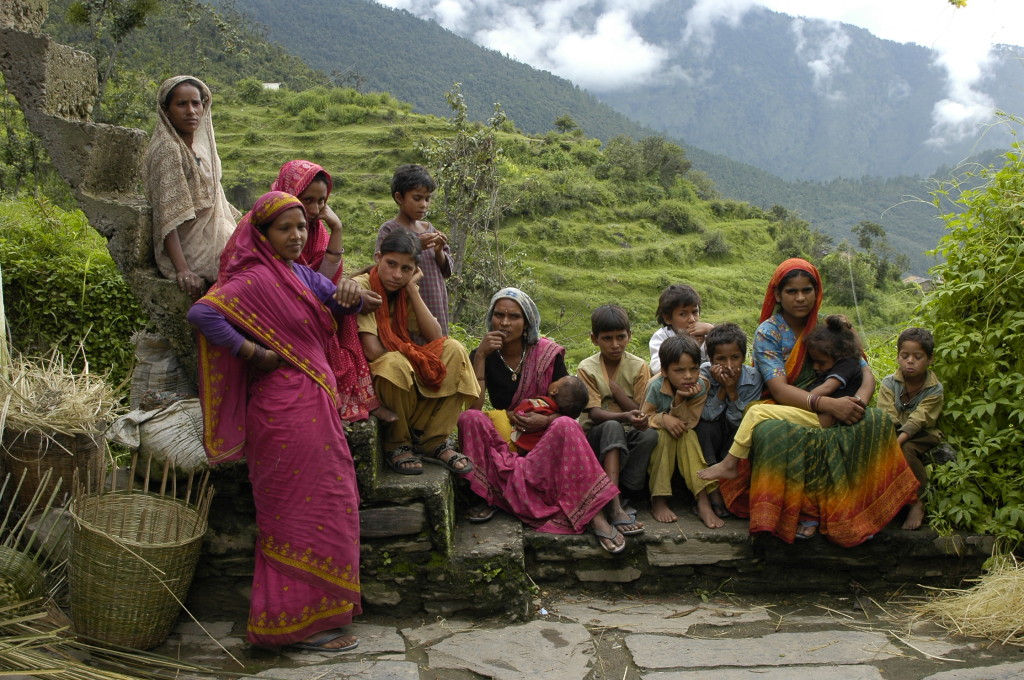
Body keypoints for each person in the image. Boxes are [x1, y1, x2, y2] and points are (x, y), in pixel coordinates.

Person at [188, 191, 362, 651]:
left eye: (302, 227)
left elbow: (344, 303)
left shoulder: (300, 273)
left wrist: (351, 295)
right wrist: (252, 353)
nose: (296, 235)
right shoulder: (253, 280)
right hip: (283, 412)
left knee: (331, 501)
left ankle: (318, 617)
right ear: (262, 235)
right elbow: (203, 311)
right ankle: (291, 626)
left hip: (316, 406)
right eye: (285, 228)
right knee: (292, 517)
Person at [699, 258, 918, 545]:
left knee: (877, 421)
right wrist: (828, 405)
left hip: (841, 403)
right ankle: (791, 512)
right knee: (767, 430)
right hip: (791, 405)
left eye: (806, 290)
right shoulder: (770, 332)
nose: (800, 298)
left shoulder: (830, 327)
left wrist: (858, 403)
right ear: (778, 295)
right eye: (791, 291)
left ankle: (870, 508)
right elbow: (779, 389)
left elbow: (864, 371)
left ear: (817, 291)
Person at [457, 289, 629, 553]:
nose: (504, 322)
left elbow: (571, 408)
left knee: (566, 425)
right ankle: (487, 495)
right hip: (509, 439)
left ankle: (595, 513)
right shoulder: (483, 354)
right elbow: (476, 406)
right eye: (499, 315)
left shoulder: (547, 354)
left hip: (542, 442)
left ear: (526, 322)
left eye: (513, 316)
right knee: (469, 419)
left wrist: (544, 422)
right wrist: (479, 357)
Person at [263, 159, 394, 424]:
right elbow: (296, 281)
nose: (314, 209)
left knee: (344, 315)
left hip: (311, 299)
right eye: (307, 200)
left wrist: (337, 228)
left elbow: (324, 280)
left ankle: (362, 399)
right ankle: (345, 399)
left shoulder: (318, 230)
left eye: (321, 201)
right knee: (338, 313)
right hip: (277, 307)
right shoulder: (269, 226)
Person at [354, 229, 477, 475]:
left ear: (414, 271)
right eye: (391, 264)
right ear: (378, 257)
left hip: (401, 362)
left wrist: (411, 290)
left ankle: (433, 440)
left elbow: (436, 335)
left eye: (406, 269)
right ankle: (397, 443)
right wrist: (413, 362)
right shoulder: (363, 285)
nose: (397, 274)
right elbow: (372, 350)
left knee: (455, 349)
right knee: (394, 363)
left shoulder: (403, 288)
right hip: (374, 372)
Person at [144, 75, 239, 299]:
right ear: (166, 111)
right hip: (191, 246)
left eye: (196, 103)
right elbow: (168, 216)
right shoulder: (168, 150)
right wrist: (182, 270)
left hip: (211, 233)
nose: (191, 111)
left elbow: (213, 196)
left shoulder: (198, 148)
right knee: (254, 269)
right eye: (181, 104)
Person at [578, 304, 657, 536]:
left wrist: (620, 396)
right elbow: (594, 414)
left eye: (621, 337)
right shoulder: (587, 368)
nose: (615, 345)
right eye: (607, 338)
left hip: (627, 434)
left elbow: (642, 410)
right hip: (596, 439)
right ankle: (612, 503)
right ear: (595, 339)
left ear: (629, 336)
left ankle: (626, 491)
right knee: (612, 425)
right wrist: (624, 415)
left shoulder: (638, 366)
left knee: (650, 434)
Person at [641, 335, 723, 528]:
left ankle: (703, 501)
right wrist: (663, 418)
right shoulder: (655, 386)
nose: (688, 376)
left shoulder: (700, 386)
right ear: (664, 371)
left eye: (693, 369)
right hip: (659, 435)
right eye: (679, 370)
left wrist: (678, 401)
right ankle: (659, 499)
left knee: (689, 436)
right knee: (662, 436)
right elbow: (644, 419)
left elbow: (689, 422)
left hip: (685, 432)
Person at [877, 327, 946, 531]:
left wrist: (898, 442)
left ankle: (917, 502)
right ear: (898, 357)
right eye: (905, 355)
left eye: (918, 356)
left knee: (906, 451)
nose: (910, 361)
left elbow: (919, 418)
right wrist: (892, 439)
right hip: (893, 431)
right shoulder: (890, 383)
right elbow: (886, 414)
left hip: (923, 434)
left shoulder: (934, 388)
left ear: (930, 359)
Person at [376, 164, 453, 335]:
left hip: (434, 301)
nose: (423, 205)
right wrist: (418, 245)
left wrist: (439, 251)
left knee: (438, 343)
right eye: (417, 198)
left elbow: (447, 271)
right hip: (407, 302)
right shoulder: (389, 229)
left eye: (427, 199)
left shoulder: (430, 228)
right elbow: (382, 268)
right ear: (399, 197)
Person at [695, 323, 763, 518]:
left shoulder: (753, 378)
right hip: (711, 439)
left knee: (743, 431)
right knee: (705, 427)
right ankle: (712, 490)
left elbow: (742, 424)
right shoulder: (704, 374)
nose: (729, 365)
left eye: (735, 358)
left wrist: (733, 392)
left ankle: (729, 489)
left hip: (734, 442)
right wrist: (723, 389)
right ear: (710, 359)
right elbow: (707, 415)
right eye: (721, 359)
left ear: (744, 357)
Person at [803, 314, 864, 428]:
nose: (815, 367)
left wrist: (800, 401)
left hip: (829, 416)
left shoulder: (847, 364)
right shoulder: (833, 366)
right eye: (813, 362)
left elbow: (827, 388)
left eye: (821, 363)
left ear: (840, 355)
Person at [510, 375, 589, 453]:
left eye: (557, 381)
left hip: (518, 445)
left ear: (554, 391)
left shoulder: (539, 404)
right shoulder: (562, 422)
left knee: (498, 415)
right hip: (540, 452)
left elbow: (518, 411)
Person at [649, 284, 715, 373]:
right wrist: (686, 341)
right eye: (683, 314)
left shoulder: (706, 334)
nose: (692, 319)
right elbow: (657, 368)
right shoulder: (661, 337)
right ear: (668, 318)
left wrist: (713, 331)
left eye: (695, 312)